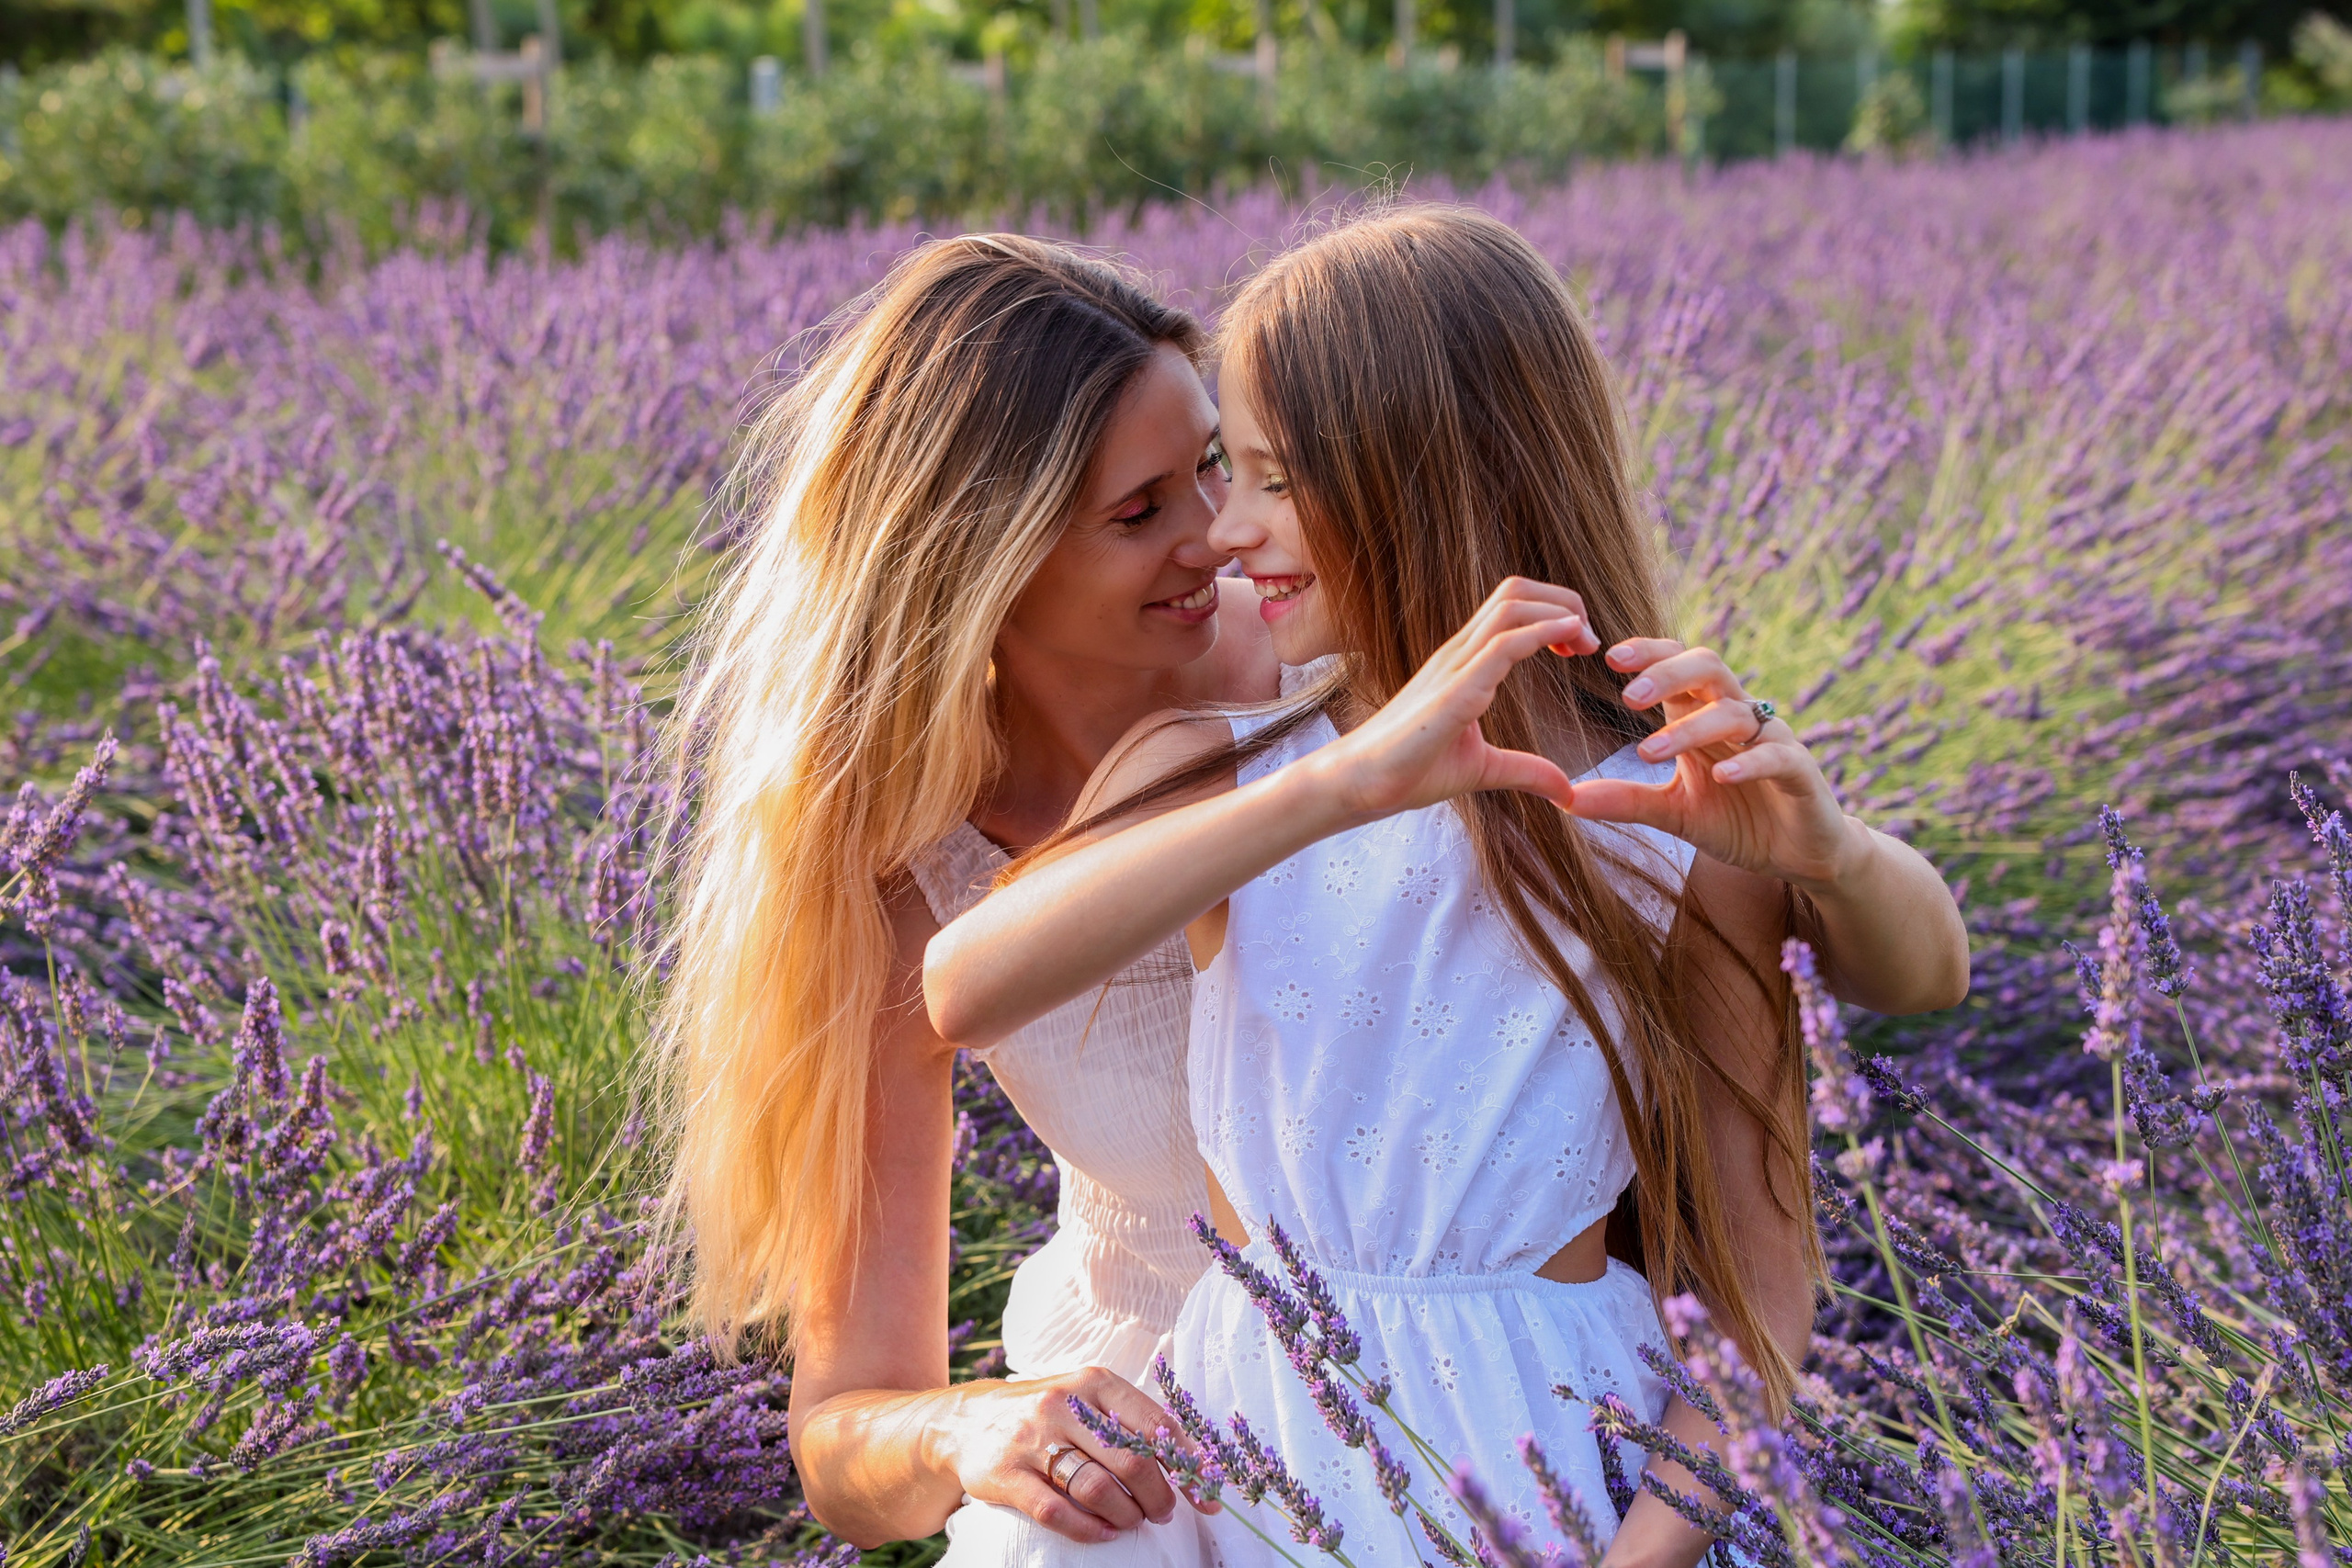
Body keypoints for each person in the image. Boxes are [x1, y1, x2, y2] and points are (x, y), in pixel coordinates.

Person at [924, 208, 1972, 1564]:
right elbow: (967, 983)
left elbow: (1766, 1294)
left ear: (1427, 481)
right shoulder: (1219, 771)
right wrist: (1344, 780)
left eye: (1272, 479)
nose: (1225, 531)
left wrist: (1831, 853)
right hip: (1251, 1456)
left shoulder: (1671, 816)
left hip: (1553, 1467)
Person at [649, 234, 1274, 1557]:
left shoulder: (1331, 675)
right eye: (1139, 509)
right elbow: (844, 1435)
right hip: (1139, 1423)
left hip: (1433, 1380)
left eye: (1213, 463)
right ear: (977, 565)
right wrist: (966, 1427)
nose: (1219, 534)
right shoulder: (907, 866)